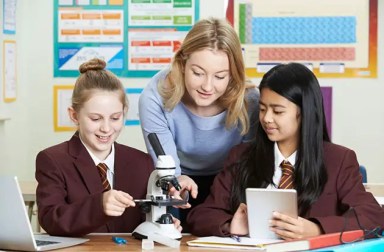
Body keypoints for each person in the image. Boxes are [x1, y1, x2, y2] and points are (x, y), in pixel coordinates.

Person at [187, 62, 384, 239]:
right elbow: (201, 215)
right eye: (263, 109)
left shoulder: (339, 160)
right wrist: (231, 224)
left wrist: (317, 229)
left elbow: (373, 217)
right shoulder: (241, 156)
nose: (266, 119)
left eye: (278, 111)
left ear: (305, 113)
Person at [35, 58, 182, 236]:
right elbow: (51, 219)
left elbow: (145, 217)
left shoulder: (141, 162)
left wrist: (162, 224)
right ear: (74, 116)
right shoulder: (53, 160)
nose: (106, 128)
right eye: (95, 119)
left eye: (115, 118)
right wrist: (99, 206)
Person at [138, 17, 259, 229]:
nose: (207, 86)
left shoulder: (250, 101)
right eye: (198, 73)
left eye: (220, 76)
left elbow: (247, 165)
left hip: (229, 179)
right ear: (182, 64)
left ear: (233, 75)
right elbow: (167, 167)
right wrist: (177, 181)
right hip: (177, 175)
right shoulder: (155, 96)